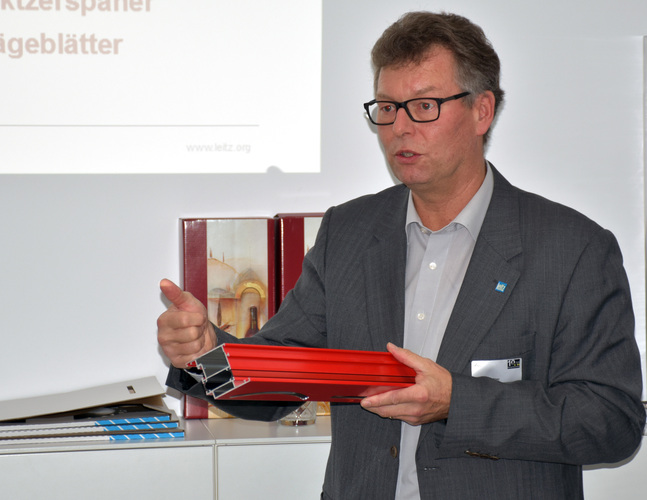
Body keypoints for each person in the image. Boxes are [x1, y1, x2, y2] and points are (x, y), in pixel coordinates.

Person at [157, 11, 645, 499]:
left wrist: (458, 402)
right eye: (387, 108)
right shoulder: (348, 232)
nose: (400, 128)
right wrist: (207, 355)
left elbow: (612, 422)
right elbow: (286, 378)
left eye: (424, 106)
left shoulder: (572, 249)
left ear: (482, 111)